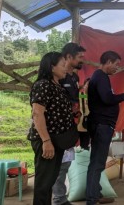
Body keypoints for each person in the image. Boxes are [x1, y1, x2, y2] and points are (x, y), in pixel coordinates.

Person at [86, 50, 124, 205]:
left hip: (102, 125)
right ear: (108, 61)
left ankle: (96, 193)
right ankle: (92, 199)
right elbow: (107, 98)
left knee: (97, 162)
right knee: (97, 163)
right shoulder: (100, 76)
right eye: (116, 64)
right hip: (101, 125)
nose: (116, 68)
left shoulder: (101, 77)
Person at [28, 52, 74, 205]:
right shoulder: (43, 85)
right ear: (52, 67)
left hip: (58, 141)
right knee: (43, 184)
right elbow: (37, 113)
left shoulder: (58, 87)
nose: (65, 68)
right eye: (62, 64)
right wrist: (46, 141)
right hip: (46, 140)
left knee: (50, 181)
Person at [52, 43, 86, 205]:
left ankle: (60, 197)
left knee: (66, 162)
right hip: (58, 126)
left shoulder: (75, 77)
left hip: (71, 125)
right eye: (80, 57)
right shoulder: (57, 77)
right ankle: (58, 199)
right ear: (68, 57)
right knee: (58, 163)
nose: (82, 60)